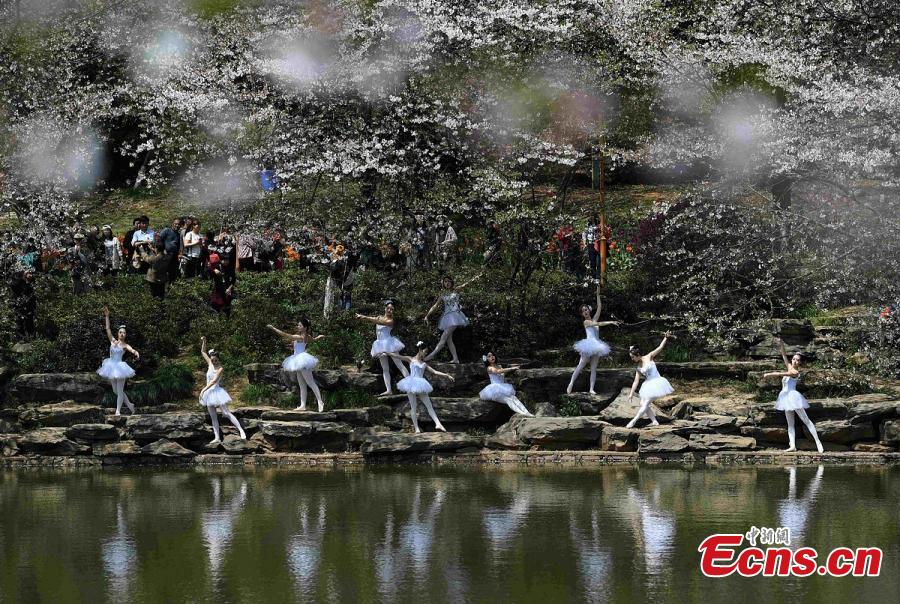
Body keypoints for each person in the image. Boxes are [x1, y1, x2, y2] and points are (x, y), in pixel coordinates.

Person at [763, 338, 824, 452]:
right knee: (790, 423)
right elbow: (784, 356)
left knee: (806, 420)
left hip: (793, 397)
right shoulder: (790, 367)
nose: (795, 361)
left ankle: (818, 442)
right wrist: (781, 344)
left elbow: (782, 374)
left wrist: (769, 374)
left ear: (800, 363)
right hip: (785, 398)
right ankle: (792, 446)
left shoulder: (795, 372)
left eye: (797, 360)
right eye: (794, 359)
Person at [387, 342, 454, 433]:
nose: (425, 354)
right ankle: (416, 428)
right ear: (420, 350)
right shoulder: (410, 359)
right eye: (425, 352)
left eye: (426, 352)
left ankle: (438, 424)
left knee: (429, 405)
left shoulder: (424, 364)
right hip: (410, 384)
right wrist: (386, 352)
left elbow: (434, 372)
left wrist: (446, 375)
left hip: (421, 384)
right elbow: (398, 356)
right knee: (413, 406)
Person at [566, 290, 621, 394]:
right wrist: (610, 322)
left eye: (586, 309)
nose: (585, 312)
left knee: (593, 368)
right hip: (588, 344)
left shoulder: (594, 319)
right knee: (581, 365)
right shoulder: (586, 322)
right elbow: (598, 324)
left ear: (589, 310)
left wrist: (598, 295)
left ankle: (591, 389)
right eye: (583, 311)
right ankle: (571, 383)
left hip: (597, 345)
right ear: (582, 314)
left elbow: (599, 307)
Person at [268, 319, 327, 412]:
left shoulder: (299, 337)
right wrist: (319, 337)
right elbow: (314, 339)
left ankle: (320, 402)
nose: (298, 327)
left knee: (310, 382)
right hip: (298, 360)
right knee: (302, 384)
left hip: (302, 360)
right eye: (298, 325)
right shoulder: (307, 336)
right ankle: (302, 405)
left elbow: (286, 335)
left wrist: (274, 328)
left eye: (300, 325)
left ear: (305, 327)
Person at [424, 273, 482, 364]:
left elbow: (466, 284)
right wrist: (427, 315)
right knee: (449, 340)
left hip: (455, 316)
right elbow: (435, 306)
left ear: (451, 282)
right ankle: (455, 359)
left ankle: (430, 356)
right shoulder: (442, 294)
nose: (447, 283)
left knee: (443, 337)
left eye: (449, 281)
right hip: (447, 317)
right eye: (445, 281)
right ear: (443, 283)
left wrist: (476, 277)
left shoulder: (456, 290)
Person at [199, 337, 246, 444]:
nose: (214, 362)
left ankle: (241, 430)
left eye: (216, 360)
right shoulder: (210, 364)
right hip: (208, 394)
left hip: (216, 392)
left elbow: (214, 381)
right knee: (213, 417)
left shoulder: (220, 369)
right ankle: (217, 438)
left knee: (226, 413)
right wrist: (204, 341)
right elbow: (203, 352)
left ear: (218, 360)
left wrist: (202, 390)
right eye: (212, 360)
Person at [356, 300, 409, 395]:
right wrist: (362, 317)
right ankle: (389, 390)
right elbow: (374, 319)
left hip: (389, 343)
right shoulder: (379, 317)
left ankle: (411, 385)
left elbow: (378, 321)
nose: (389, 310)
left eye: (391, 309)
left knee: (399, 364)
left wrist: (364, 317)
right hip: (379, 344)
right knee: (385, 368)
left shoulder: (390, 321)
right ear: (385, 308)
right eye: (388, 308)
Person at [625, 333, 676, 428]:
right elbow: (636, 381)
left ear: (638, 355)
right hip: (648, 385)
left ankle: (633, 421)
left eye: (632, 357)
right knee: (642, 403)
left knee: (646, 402)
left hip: (657, 383)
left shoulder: (649, 356)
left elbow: (660, 347)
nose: (632, 359)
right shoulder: (638, 367)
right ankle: (654, 421)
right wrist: (631, 393)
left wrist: (665, 338)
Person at [97, 307, 138, 416]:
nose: (122, 334)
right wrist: (107, 316)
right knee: (115, 391)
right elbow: (107, 329)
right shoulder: (113, 341)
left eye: (124, 333)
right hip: (110, 366)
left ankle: (118, 411)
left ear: (125, 335)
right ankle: (130, 405)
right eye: (120, 332)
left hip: (120, 368)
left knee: (119, 391)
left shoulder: (125, 345)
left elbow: (132, 350)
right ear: (118, 333)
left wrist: (136, 353)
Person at [11, 269, 36, 339]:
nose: (30, 275)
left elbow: (32, 291)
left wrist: (29, 279)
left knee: (30, 320)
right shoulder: (17, 278)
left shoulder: (31, 280)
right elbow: (14, 286)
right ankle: (21, 337)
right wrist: (23, 277)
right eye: (28, 273)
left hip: (29, 303)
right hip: (19, 303)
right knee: (20, 320)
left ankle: (31, 336)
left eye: (31, 273)